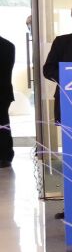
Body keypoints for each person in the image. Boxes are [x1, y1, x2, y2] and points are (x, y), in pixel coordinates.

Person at [0, 33, 13, 168]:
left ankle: (5, 155)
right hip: (4, 92)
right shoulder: (8, 46)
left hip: (3, 93)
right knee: (3, 124)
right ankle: (5, 156)